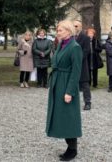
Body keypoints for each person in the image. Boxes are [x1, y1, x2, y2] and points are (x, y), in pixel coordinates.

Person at [46, 20, 82, 161]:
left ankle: (72, 149)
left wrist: (69, 92)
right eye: (58, 30)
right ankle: (69, 146)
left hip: (66, 84)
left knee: (69, 116)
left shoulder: (75, 47)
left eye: (60, 30)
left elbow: (76, 72)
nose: (58, 32)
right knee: (61, 115)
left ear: (68, 31)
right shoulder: (62, 44)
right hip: (58, 82)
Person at [73, 20, 92, 110]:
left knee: (85, 84)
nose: (74, 28)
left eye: (76, 26)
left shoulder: (85, 37)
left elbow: (86, 51)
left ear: (80, 27)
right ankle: (71, 101)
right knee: (72, 83)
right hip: (71, 64)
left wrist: (78, 59)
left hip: (81, 64)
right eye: (73, 26)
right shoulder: (70, 37)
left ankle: (87, 102)